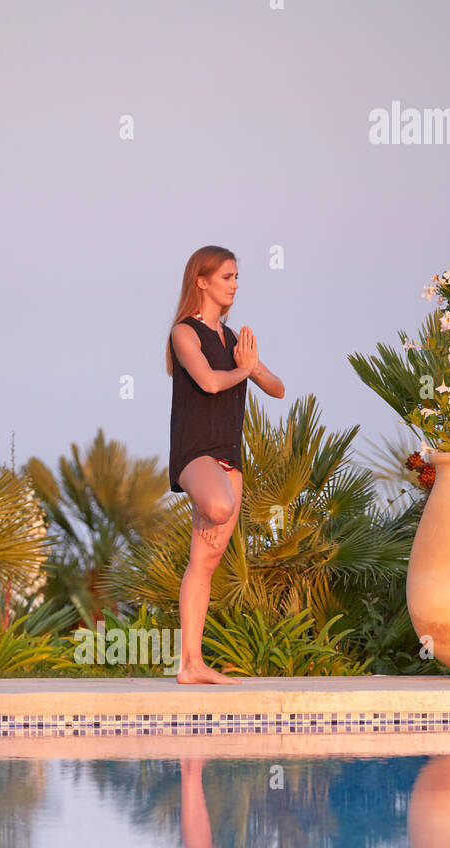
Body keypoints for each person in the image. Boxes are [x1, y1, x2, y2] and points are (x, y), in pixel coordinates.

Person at [167, 246, 285, 684]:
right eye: (227, 277)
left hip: (229, 458)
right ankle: (191, 664)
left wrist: (252, 368)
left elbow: (278, 388)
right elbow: (210, 382)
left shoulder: (235, 341)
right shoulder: (184, 333)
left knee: (205, 563)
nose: (235, 285)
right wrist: (242, 371)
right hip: (195, 453)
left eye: (237, 278)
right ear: (202, 280)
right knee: (217, 508)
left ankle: (191, 665)